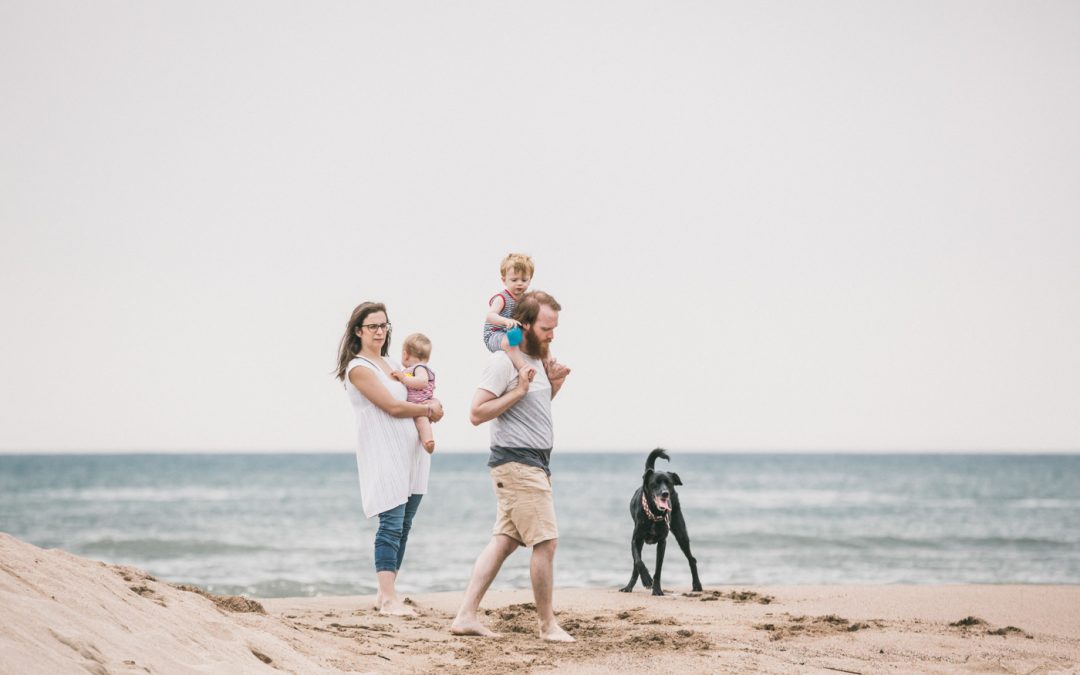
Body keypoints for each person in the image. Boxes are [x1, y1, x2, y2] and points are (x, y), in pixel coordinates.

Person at [451, 291, 574, 642]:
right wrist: (518, 391)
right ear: (526, 324)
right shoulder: (505, 362)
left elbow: (536, 409)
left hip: (534, 463)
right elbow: (476, 413)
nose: (552, 334)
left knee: (504, 542)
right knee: (546, 543)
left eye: (555, 328)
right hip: (517, 464)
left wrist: (555, 383)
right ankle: (547, 625)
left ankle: (465, 615)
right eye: (547, 328)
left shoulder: (533, 362)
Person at [336, 302, 444, 616]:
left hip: (411, 455)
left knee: (405, 525)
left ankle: (387, 594)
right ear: (358, 330)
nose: (380, 331)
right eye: (373, 326)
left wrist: (434, 403)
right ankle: (387, 597)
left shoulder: (393, 362)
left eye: (384, 325)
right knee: (391, 525)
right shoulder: (358, 369)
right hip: (384, 454)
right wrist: (427, 411)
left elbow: (418, 393)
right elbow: (393, 407)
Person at [483, 253, 568, 380]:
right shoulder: (502, 298)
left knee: (539, 335)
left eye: (524, 280)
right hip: (496, 333)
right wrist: (505, 321)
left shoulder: (526, 299)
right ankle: (523, 368)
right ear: (504, 280)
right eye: (514, 280)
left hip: (514, 330)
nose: (519, 284)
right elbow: (490, 316)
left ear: (530, 279)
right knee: (510, 341)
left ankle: (549, 364)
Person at [391, 333, 437, 454]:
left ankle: (428, 441)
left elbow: (422, 382)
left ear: (405, 354)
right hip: (419, 404)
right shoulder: (413, 370)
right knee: (420, 420)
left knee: (421, 420)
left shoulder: (419, 368)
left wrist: (404, 379)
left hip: (420, 403)